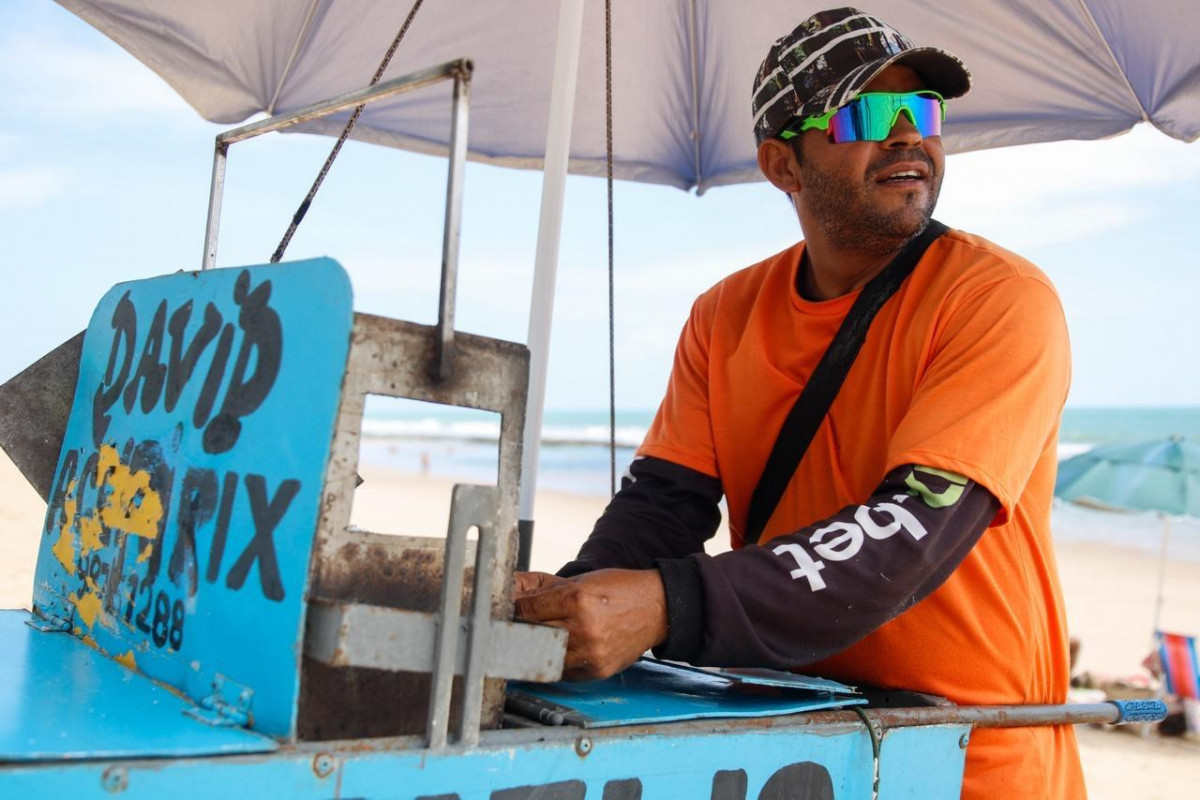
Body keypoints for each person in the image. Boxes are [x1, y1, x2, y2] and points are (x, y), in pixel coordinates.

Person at [514, 7, 1084, 799]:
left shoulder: (997, 299)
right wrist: (572, 606)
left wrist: (665, 605)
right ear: (783, 165)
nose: (907, 136)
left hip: (972, 762)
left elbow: (911, 533)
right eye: (868, 115)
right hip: (788, 744)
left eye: (922, 111)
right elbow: (664, 505)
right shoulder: (725, 314)